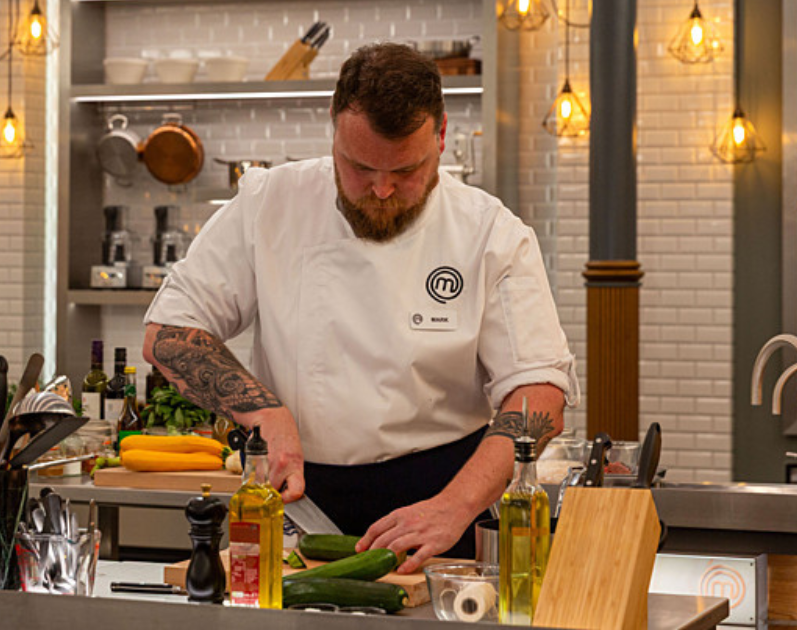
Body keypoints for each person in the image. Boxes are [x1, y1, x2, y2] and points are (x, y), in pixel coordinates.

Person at [142, 42, 578, 573]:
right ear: (334, 129)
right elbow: (169, 333)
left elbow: (539, 393)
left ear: (441, 138)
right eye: (359, 166)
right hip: (298, 506)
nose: (382, 188)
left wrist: (455, 506)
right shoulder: (269, 203)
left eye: (407, 169)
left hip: (441, 513)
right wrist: (262, 411)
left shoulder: (491, 233)